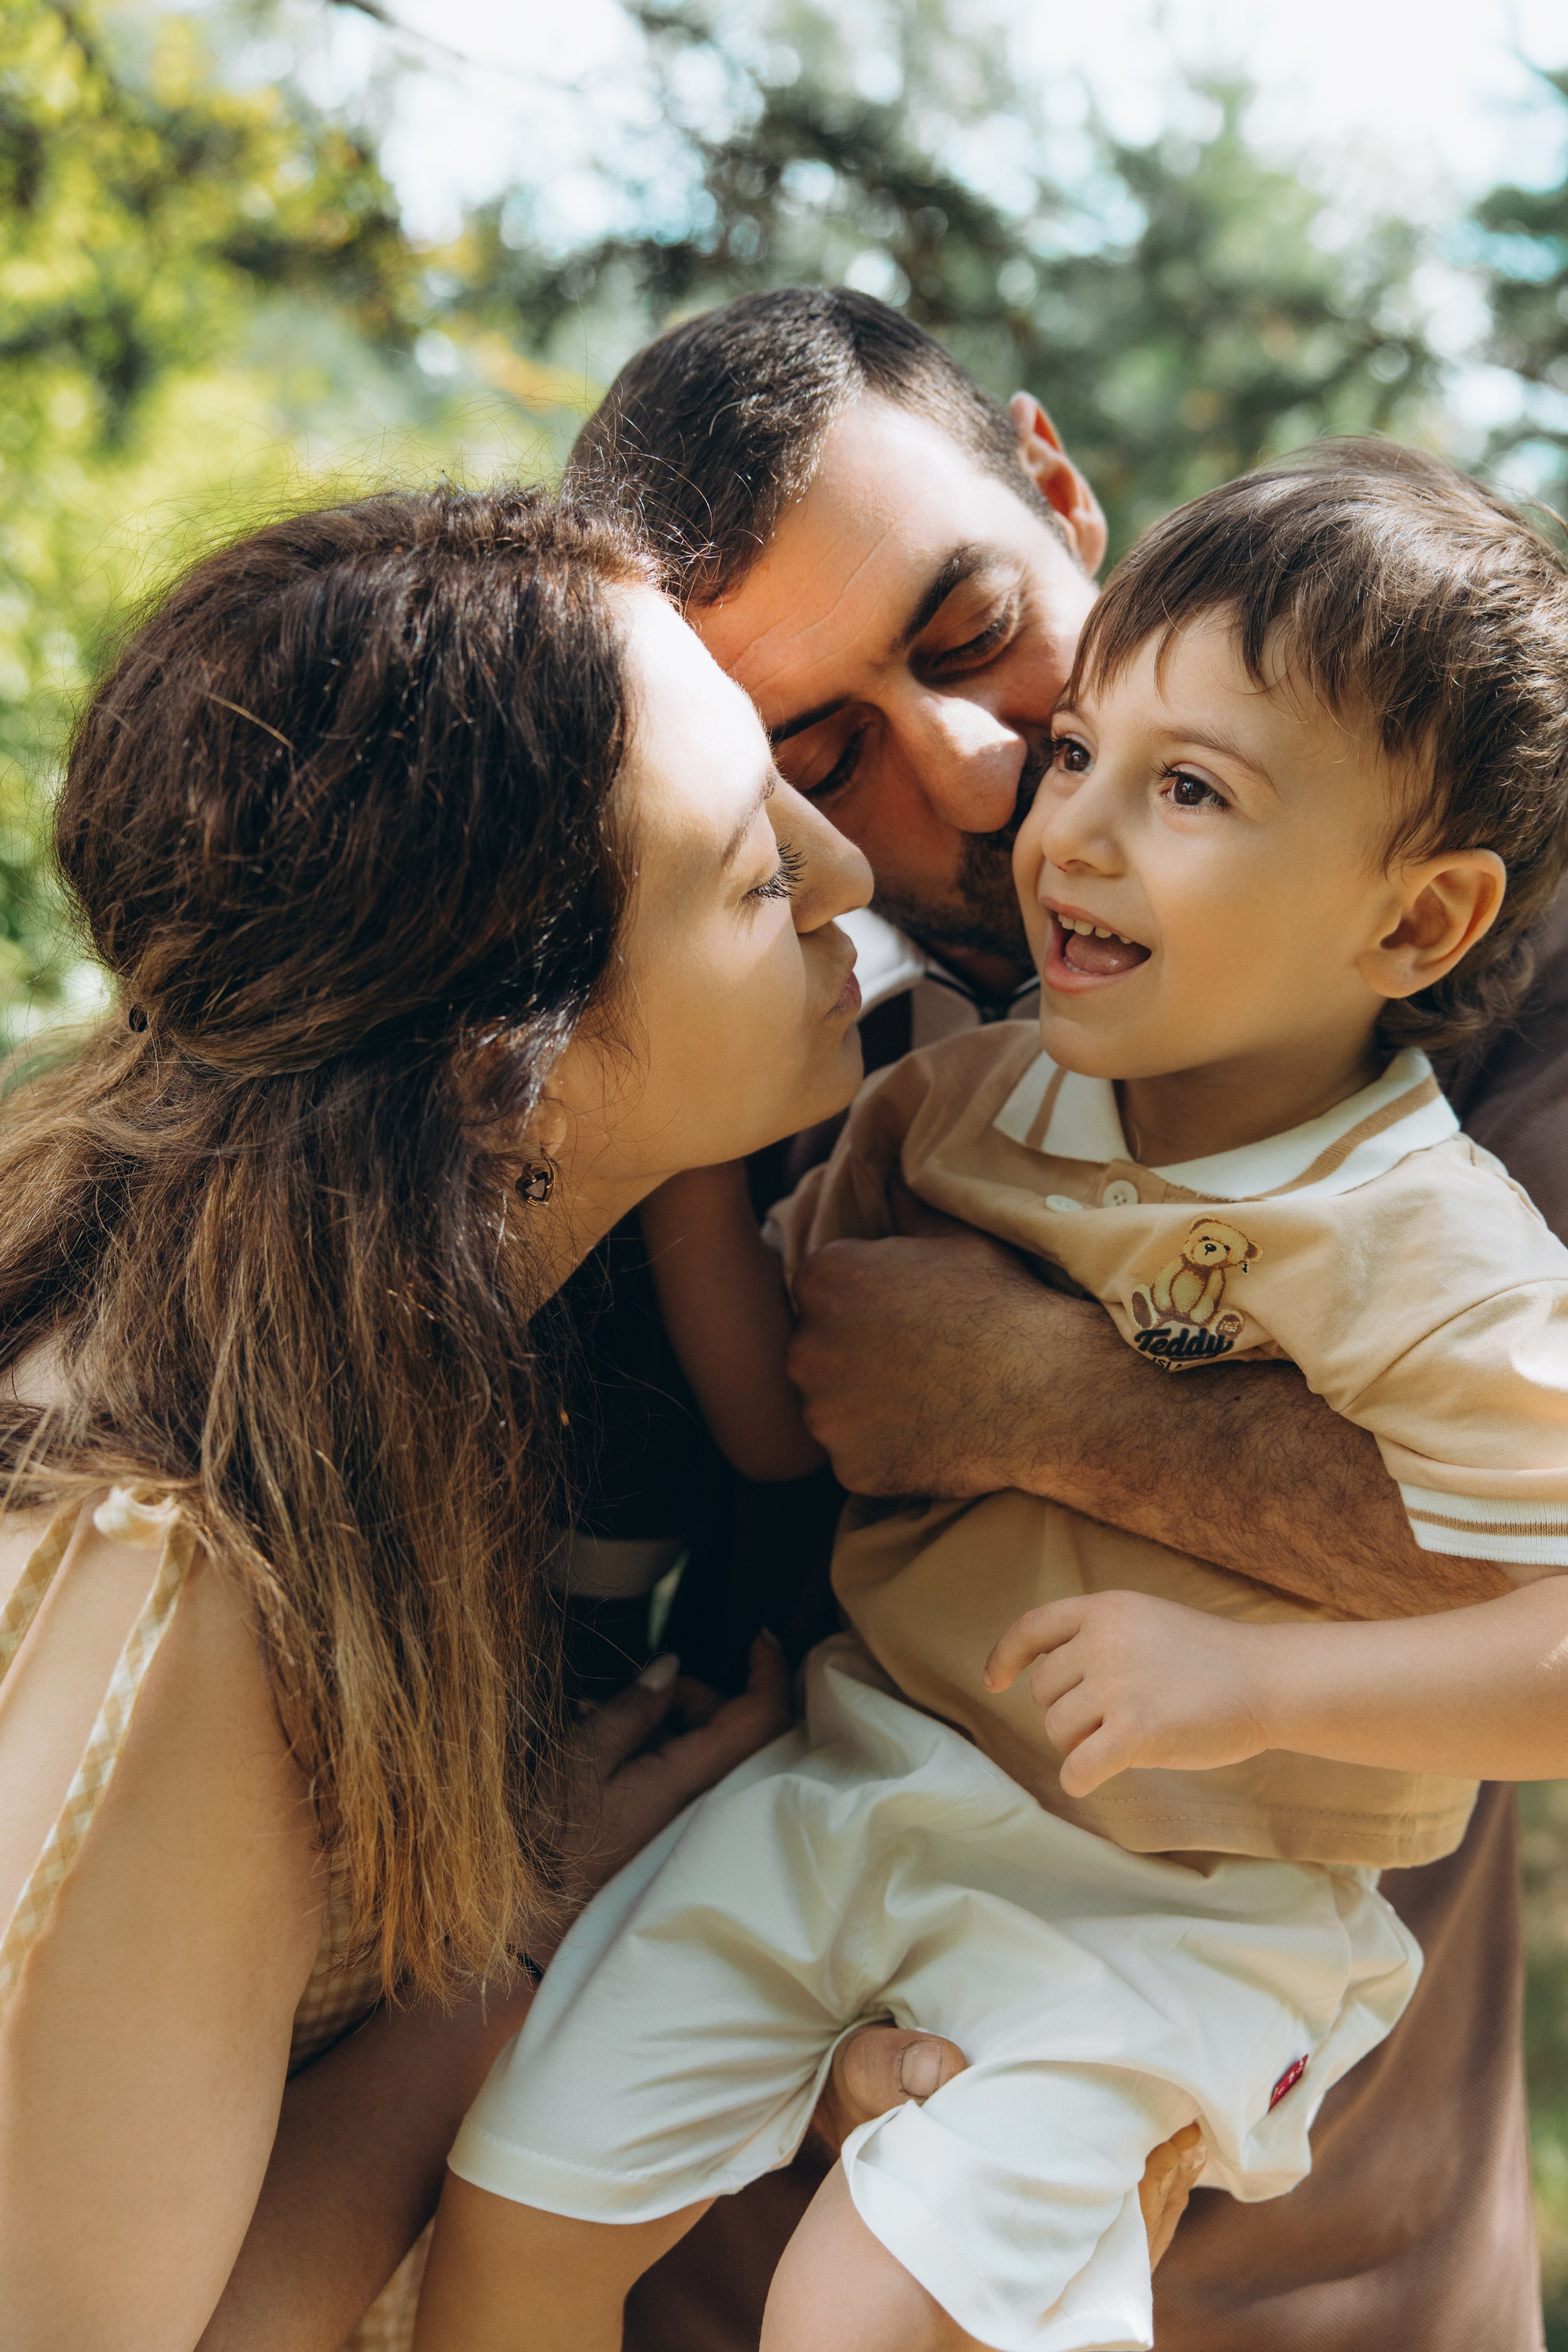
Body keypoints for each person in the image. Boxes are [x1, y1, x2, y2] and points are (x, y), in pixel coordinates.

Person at [411, 443, 1568, 2352]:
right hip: (860, 1785)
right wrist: (684, 1141)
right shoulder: (959, 1104)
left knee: (863, 2316)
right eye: (1088, 755)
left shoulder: (1428, 1243)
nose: (1063, 834)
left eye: (1186, 791)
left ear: (1421, 925)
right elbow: (794, 1413)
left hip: (1182, 1904)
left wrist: (1258, 1682)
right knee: (519, 2200)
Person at [0, 481, 965, 2352]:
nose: (843, 873)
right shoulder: (160, 1589)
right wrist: (503, 1962)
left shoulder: (336, 1386)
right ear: (499, 1061)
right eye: (754, 873)